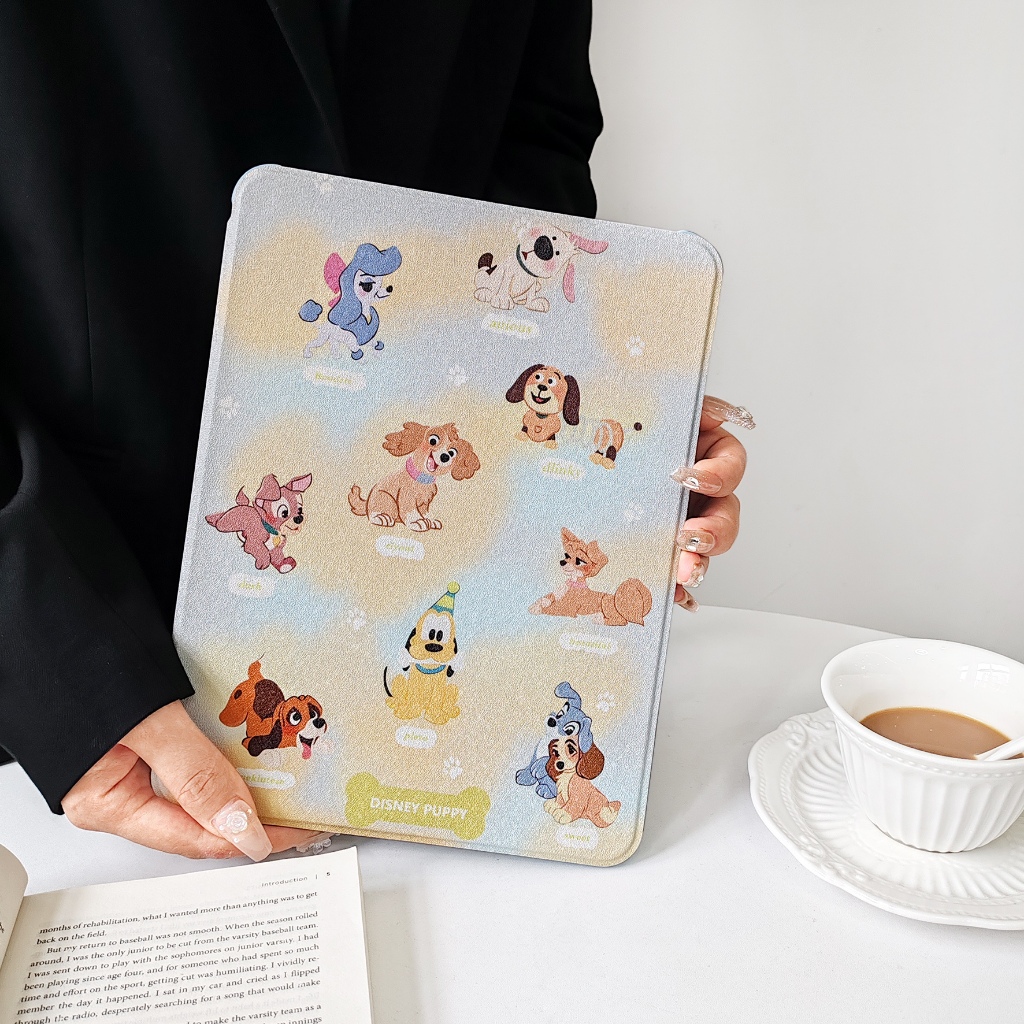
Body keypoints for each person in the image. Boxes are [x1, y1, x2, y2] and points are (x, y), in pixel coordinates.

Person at [0, 1, 750, 862]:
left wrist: (594, 434)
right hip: (82, 675)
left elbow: (535, 148)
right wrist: (63, 670)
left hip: (448, 707)